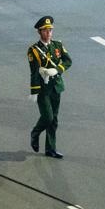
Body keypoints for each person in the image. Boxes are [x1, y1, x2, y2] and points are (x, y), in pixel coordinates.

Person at [28, 15, 71, 159]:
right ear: (39, 32)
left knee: (54, 119)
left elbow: (68, 61)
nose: (48, 33)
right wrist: (34, 91)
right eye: (45, 31)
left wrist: (57, 69)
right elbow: (34, 72)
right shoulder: (34, 50)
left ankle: (50, 148)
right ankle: (35, 133)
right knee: (47, 117)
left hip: (56, 86)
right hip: (42, 88)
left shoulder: (57, 45)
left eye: (50, 30)